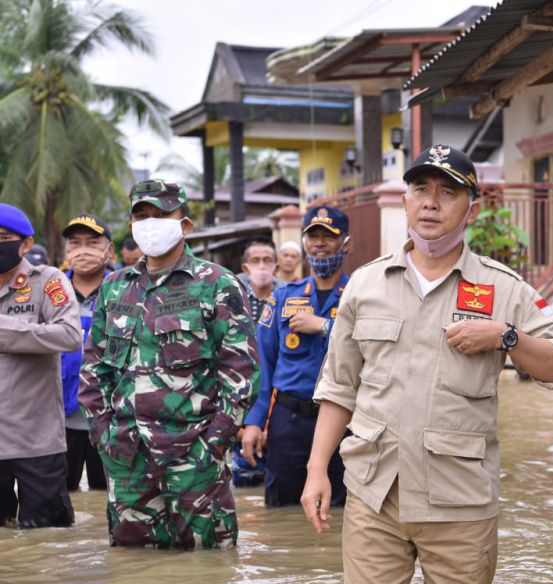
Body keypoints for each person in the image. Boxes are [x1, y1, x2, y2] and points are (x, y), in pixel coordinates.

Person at [301, 145, 553, 584]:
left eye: (447, 192)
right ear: (407, 200)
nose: (431, 202)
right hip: (375, 495)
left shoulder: (501, 288)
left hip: (460, 502)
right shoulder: (366, 286)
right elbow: (338, 387)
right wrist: (316, 472)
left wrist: (505, 337)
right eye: (421, 189)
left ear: (472, 208)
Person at [79, 179, 260, 549]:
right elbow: (94, 369)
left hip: (195, 460)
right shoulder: (114, 287)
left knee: (207, 572)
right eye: (141, 216)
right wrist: (104, 435)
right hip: (127, 459)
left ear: (185, 224)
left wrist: (213, 445)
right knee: (132, 577)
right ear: (131, 226)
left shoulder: (217, 284)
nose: (150, 224)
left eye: (161, 215)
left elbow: (239, 373)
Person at [241, 207, 350, 507]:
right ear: (304, 243)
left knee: (341, 510)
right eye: (313, 236)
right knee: (281, 511)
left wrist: (325, 325)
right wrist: (254, 422)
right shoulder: (283, 297)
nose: (319, 243)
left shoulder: (360, 294)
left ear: (346, 243)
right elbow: (264, 366)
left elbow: (374, 344)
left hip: (346, 421)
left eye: (329, 237)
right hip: (288, 422)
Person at [0, 203, 81, 528]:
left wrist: (4, 330)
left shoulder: (48, 280)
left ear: (26, 244)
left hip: (36, 438)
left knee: (47, 537)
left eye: (3, 237)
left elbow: (70, 335)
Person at [61, 214, 113, 492]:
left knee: (107, 494)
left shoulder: (123, 289)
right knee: (59, 495)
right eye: (75, 243)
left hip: (110, 416)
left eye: (92, 243)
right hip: (59, 416)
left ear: (109, 250)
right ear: (66, 251)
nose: (83, 251)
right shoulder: (52, 290)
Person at [236, 236, 285, 324]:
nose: (261, 266)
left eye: (267, 260)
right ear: (245, 269)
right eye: (255, 260)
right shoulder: (236, 298)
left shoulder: (286, 298)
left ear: (276, 268)